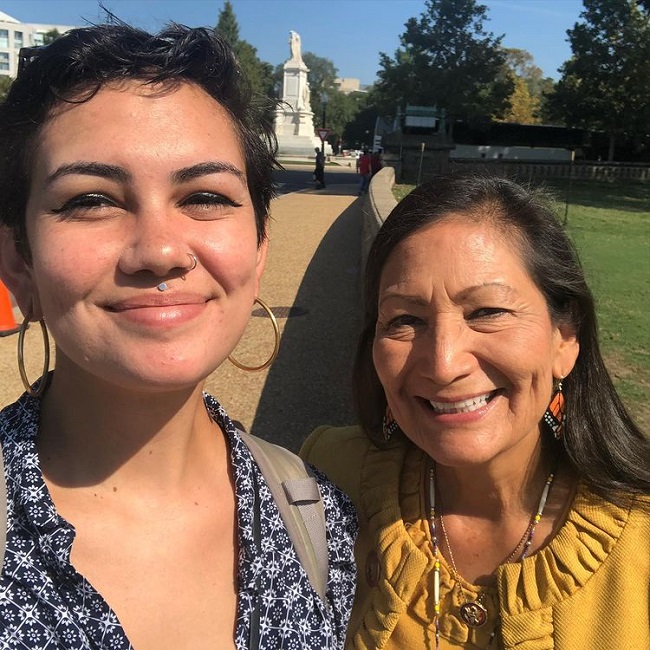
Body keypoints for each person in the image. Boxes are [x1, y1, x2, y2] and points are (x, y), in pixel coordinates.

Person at [0, 24, 357, 649]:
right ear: (17, 262)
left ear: (259, 250)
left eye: (204, 196)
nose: (160, 251)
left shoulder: (323, 523)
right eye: (90, 200)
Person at [302, 174, 650, 649]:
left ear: (565, 338)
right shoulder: (324, 481)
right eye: (406, 320)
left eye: (487, 312)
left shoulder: (639, 542)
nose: (444, 364)